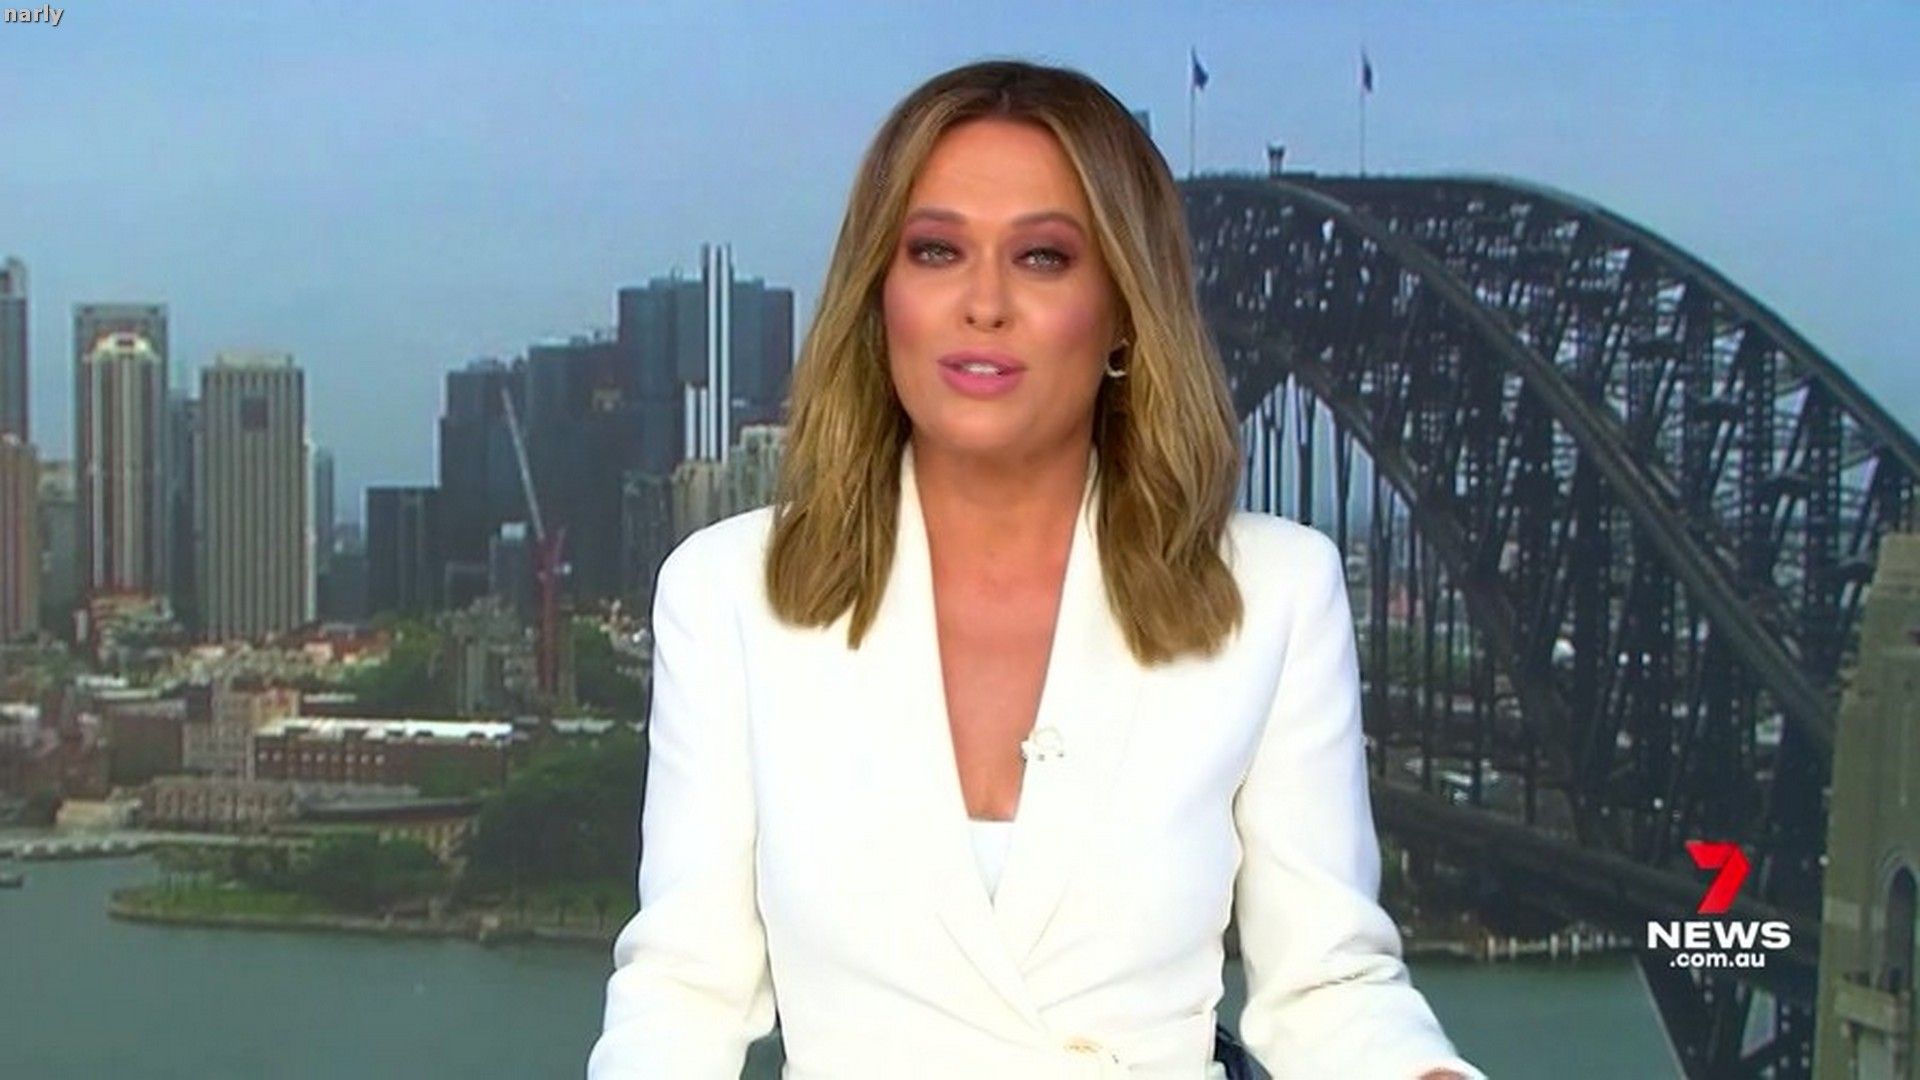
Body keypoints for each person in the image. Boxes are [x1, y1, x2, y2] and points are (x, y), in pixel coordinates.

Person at [588, 58, 1485, 1079]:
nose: (984, 303)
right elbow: (684, 994)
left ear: (1124, 311)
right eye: (936, 251)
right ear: (880, 295)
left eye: (1044, 258)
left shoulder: (1274, 594)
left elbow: (1328, 987)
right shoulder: (728, 593)